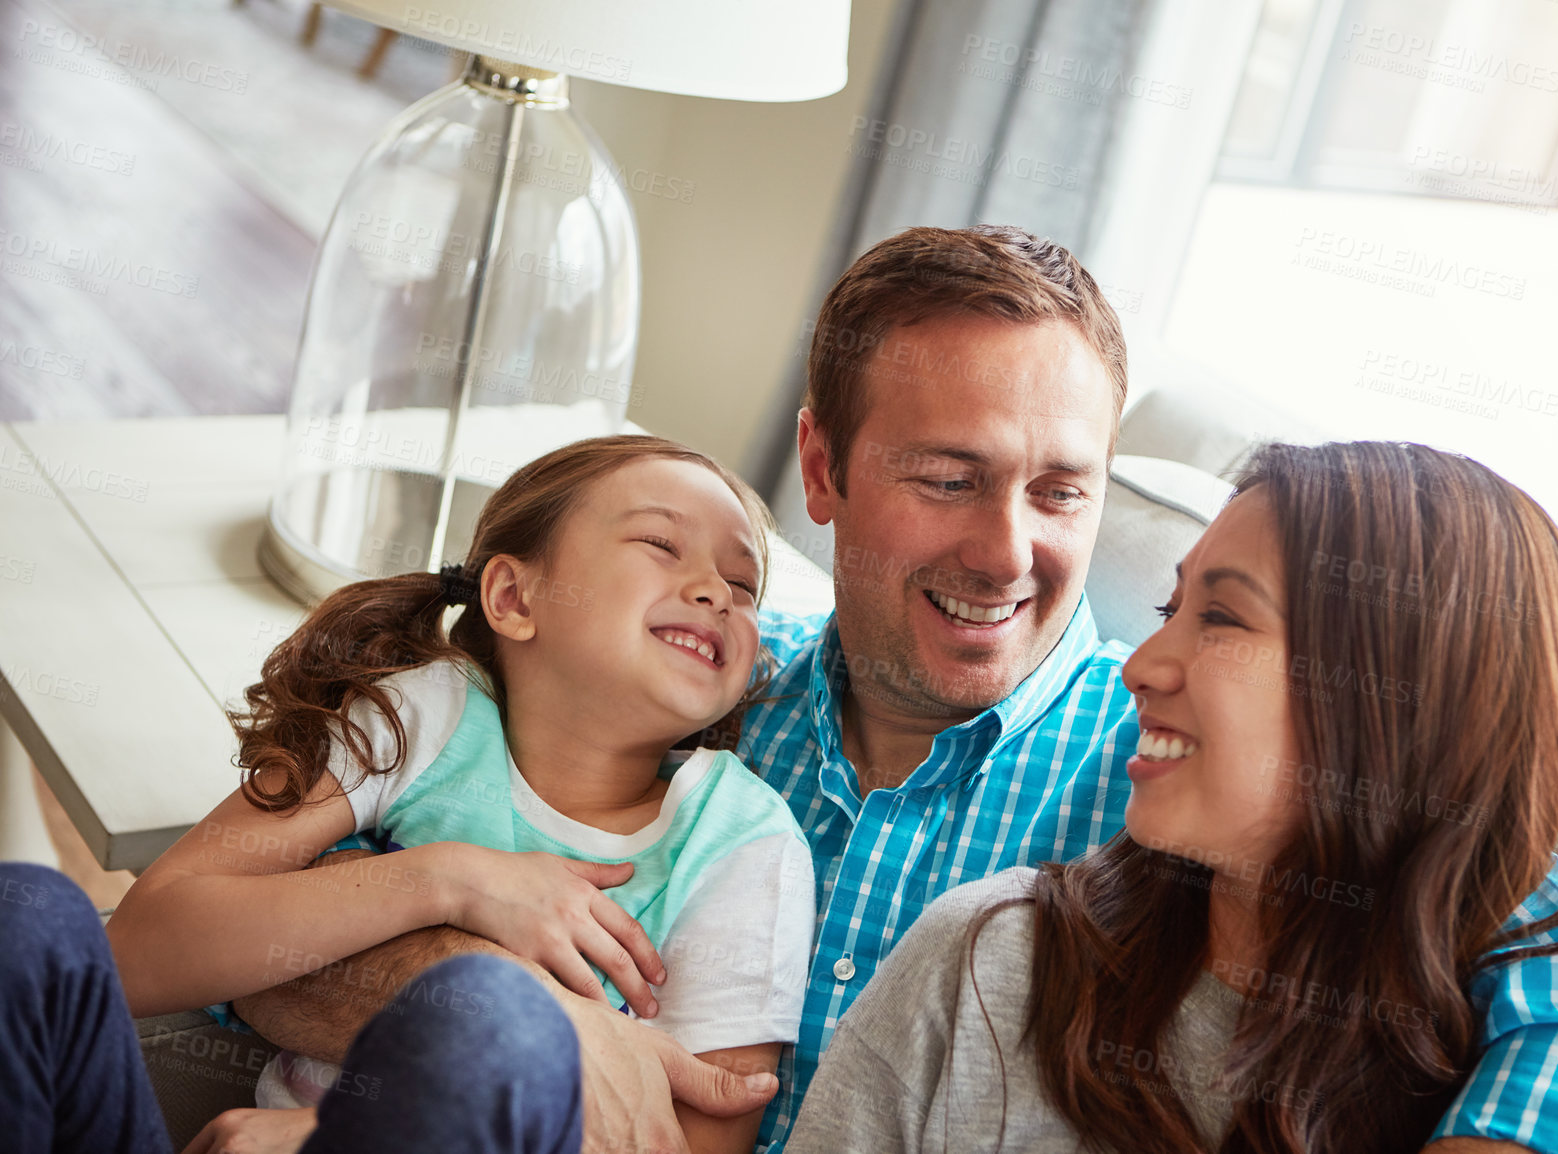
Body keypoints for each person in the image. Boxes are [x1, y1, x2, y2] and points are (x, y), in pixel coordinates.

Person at [231, 224, 1147, 1153]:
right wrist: (500, 996)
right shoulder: (692, 685)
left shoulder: (1154, 783)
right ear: (823, 469)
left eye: (1063, 493)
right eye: (950, 480)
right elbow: (243, 952)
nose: (1005, 554)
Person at [783, 441, 1558, 1153]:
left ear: (1393, 697)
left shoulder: (1539, 1061)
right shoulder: (992, 959)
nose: (1142, 665)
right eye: (1170, 611)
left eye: (1224, 618)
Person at [104, 434, 815, 1154]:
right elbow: (136, 950)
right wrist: (450, 882)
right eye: (662, 543)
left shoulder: (743, 839)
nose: (716, 593)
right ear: (512, 596)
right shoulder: (421, 716)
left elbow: (693, 1138)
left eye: (744, 586)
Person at [2, 861, 594, 1154]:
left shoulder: (690, 847)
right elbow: (133, 952)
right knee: (26, 914)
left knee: (502, 1019)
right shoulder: (408, 720)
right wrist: (449, 878)